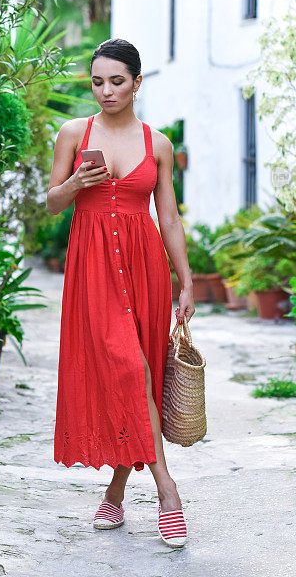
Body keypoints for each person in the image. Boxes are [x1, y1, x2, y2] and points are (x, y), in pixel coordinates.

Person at [46, 38, 195, 548]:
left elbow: (169, 217)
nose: (105, 91)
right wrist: (76, 184)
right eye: (97, 81)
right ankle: (167, 491)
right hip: (92, 270)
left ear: (136, 82)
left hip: (145, 267)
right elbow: (50, 203)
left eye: (116, 81)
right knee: (128, 370)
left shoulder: (158, 145)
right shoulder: (73, 132)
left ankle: (114, 489)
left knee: (142, 374)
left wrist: (187, 280)